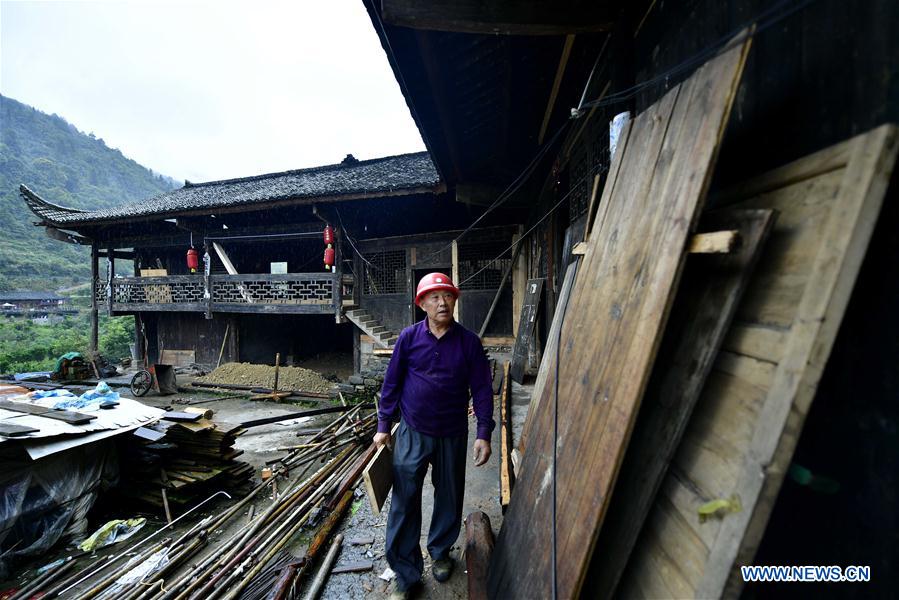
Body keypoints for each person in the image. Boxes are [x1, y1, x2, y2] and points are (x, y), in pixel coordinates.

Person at [373, 272, 495, 599]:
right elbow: (392, 384)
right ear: (422, 303)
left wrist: (484, 432)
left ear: (454, 301)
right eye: (434, 297)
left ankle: (440, 552)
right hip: (413, 430)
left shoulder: (468, 342)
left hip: (453, 432)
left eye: (448, 296)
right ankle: (405, 571)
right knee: (404, 499)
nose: (442, 302)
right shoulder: (408, 339)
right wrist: (384, 426)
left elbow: (482, 388)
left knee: (449, 496)